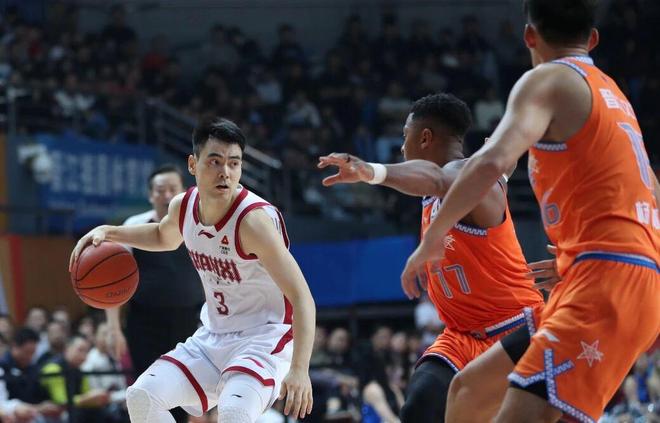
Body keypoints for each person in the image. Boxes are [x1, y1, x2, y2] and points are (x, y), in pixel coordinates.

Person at [401, 1, 660, 422]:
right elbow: (652, 192)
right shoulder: (614, 96)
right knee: (465, 392)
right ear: (592, 39)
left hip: (605, 280)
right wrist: (593, 258)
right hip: (617, 275)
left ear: (529, 36)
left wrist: (432, 238)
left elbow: (490, 163)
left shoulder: (548, 80)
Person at [70, 117, 316, 423]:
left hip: (264, 339)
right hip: (213, 336)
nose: (225, 172)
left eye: (234, 163)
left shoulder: (253, 223)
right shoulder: (183, 206)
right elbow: (162, 235)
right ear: (192, 164)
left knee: (234, 413)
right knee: (142, 396)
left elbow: (302, 297)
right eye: (215, 161)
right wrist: (109, 232)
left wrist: (300, 369)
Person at [317, 92, 544, 422]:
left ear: (424, 137)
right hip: (461, 335)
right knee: (420, 404)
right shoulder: (470, 181)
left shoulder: (467, 176)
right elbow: (483, 171)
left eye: (404, 135)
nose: (401, 146)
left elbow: (437, 177)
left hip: (514, 328)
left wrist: (372, 171)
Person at [105, 163, 204, 423]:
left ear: (183, 192)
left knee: (183, 393)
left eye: (173, 188)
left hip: (188, 322)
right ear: (151, 195)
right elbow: (111, 282)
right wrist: (113, 328)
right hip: (144, 322)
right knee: (146, 391)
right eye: (160, 190)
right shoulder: (134, 225)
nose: (167, 195)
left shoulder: (197, 226)